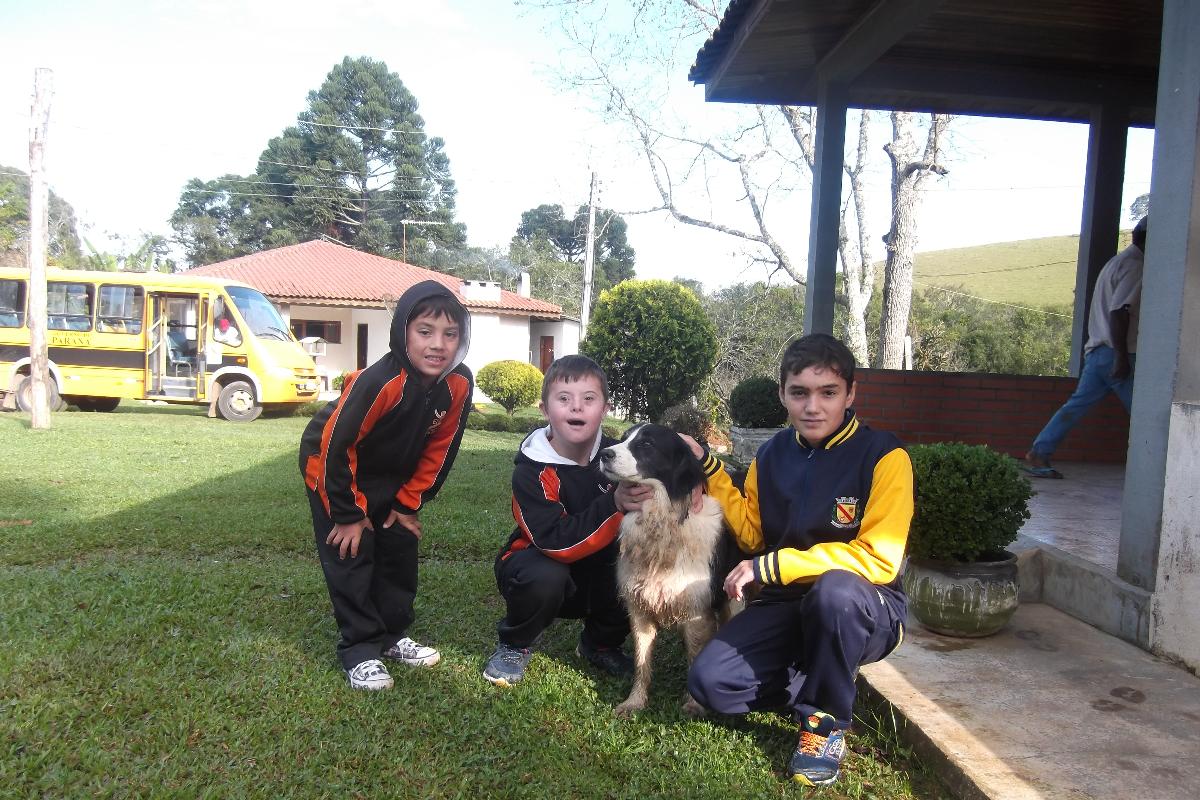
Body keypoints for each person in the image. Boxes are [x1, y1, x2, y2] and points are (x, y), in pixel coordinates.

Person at [682, 333, 912, 788]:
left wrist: (774, 567)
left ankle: (824, 723)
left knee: (835, 593)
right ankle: (824, 674)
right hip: (787, 603)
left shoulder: (885, 455)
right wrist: (711, 469)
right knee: (710, 685)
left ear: (850, 394)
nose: (813, 406)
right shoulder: (771, 455)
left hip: (865, 606)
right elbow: (750, 533)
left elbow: (879, 559)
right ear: (782, 396)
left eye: (828, 393)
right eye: (799, 393)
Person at [299, 280, 473, 690]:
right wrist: (347, 514)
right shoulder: (378, 380)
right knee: (353, 551)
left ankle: (392, 635)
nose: (438, 345)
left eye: (451, 334)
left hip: (393, 474)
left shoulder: (458, 383)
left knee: (398, 545)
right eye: (425, 331)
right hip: (334, 469)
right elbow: (336, 446)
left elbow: (441, 450)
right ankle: (360, 649)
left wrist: (409, 503)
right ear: (403, 333)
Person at [483, 355, 644, 687]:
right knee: (544, 574)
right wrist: (614, 504)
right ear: (545, 410)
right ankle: (514, 643)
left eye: (589, 399)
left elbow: (668, 476)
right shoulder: (532, 469)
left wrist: (698, 476)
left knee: (639, 565)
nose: (577, 408)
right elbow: (554, 542)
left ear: (605, 408)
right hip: (544, 564)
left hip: (601, 570)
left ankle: (600, 643)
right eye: (564, 399)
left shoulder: (620, 456)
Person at [1026, 216, 1148, 478]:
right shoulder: (1137, 267)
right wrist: (1121, 358)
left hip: (1097, 353)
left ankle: (1040, 451)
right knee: (1144, 413)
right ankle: (1154, 469)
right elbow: (1119, 312)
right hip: (1118, 352)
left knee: (1076, 406)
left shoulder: (1116, 262)